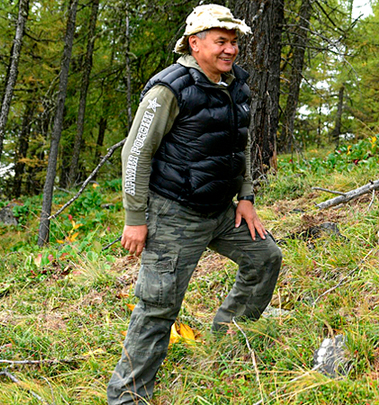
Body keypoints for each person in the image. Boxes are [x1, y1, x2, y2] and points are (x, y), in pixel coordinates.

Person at [107, 5, 282, 404]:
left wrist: (247, 198)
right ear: (195, 43)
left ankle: (225, 341)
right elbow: (135, 153)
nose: (231, 50)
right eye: (221, 41)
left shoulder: (237, 83)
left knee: (265, 258)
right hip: (172, 213)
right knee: (158, 307)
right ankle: (127, 397)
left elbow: (240, 143)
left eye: (234, 42)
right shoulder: (168, 89)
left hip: (221, 211)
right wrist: (135, 218)